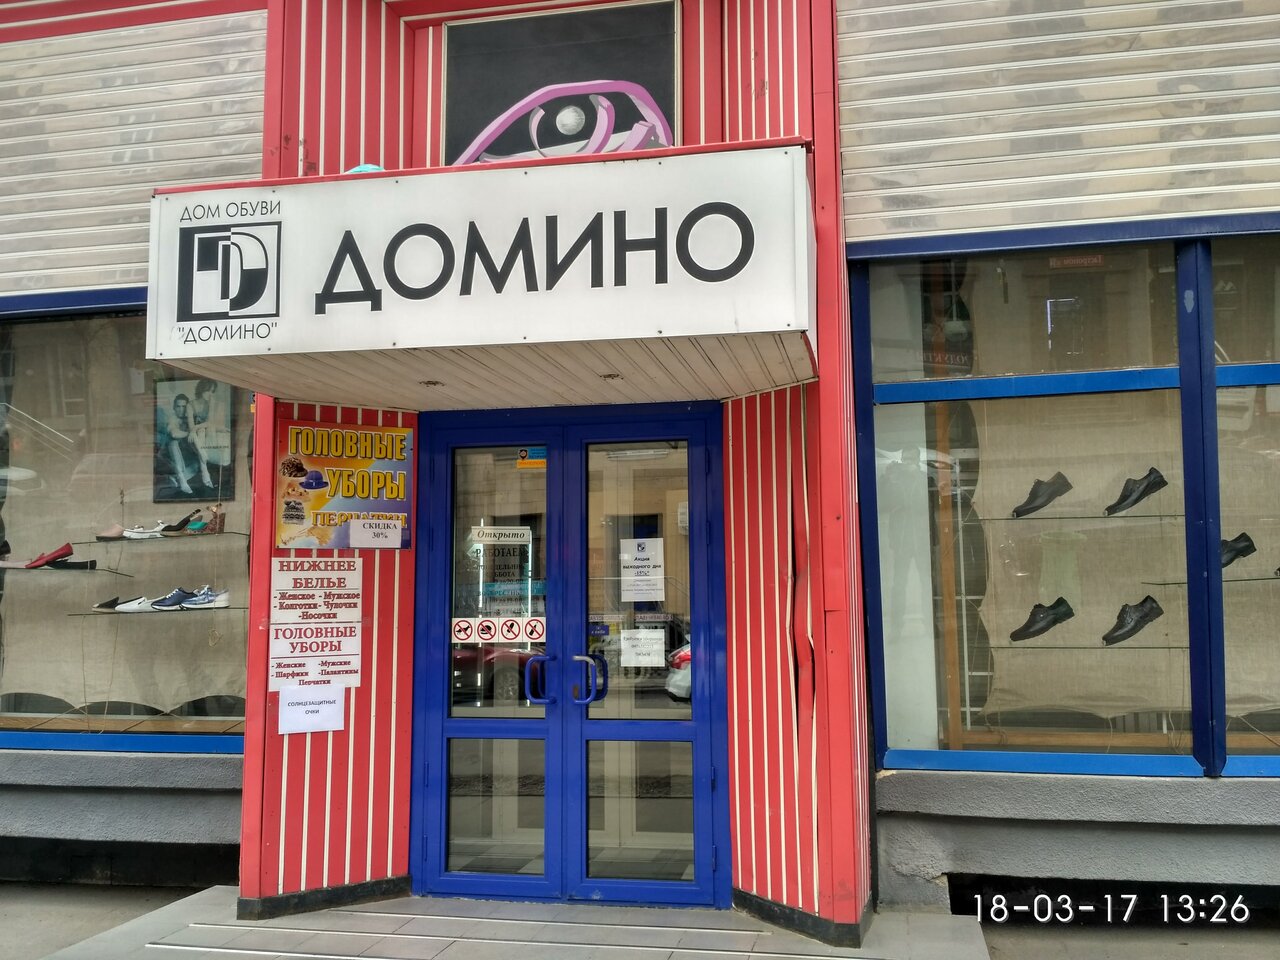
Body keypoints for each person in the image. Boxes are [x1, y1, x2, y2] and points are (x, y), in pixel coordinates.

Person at [163, 393, 210, 494]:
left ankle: (176, 479)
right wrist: (190, 433)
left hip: (185, 453)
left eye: (184, 407)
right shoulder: (172, 418)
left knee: (197, 465)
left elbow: (206, 425)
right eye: (178, 406)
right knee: (173, 442)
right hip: (169, 455)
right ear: (174, 407)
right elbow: (174, 433)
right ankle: (181, 479)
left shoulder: (190, 418)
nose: (181, 409)